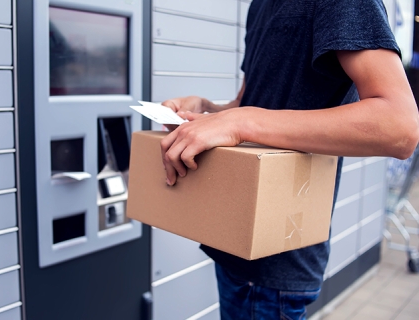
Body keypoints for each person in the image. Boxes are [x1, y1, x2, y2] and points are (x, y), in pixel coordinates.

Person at [160, 0, 419, 319]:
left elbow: (399, 127)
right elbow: (248, 102)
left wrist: (243, 121)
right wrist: (208, 111)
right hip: (232, 240)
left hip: (276, 258)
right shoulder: (260, 5)